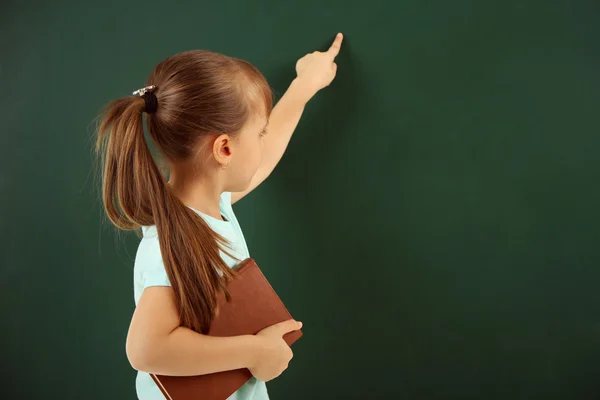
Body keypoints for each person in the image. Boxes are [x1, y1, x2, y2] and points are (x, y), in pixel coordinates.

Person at [94, 33, 344, 399]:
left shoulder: (210, 205)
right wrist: (256, 352)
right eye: (258, 132)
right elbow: (145, 349)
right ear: (224, 148)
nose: (264, 138)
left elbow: (267, 152)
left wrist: (304, 85)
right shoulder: (171, 242)